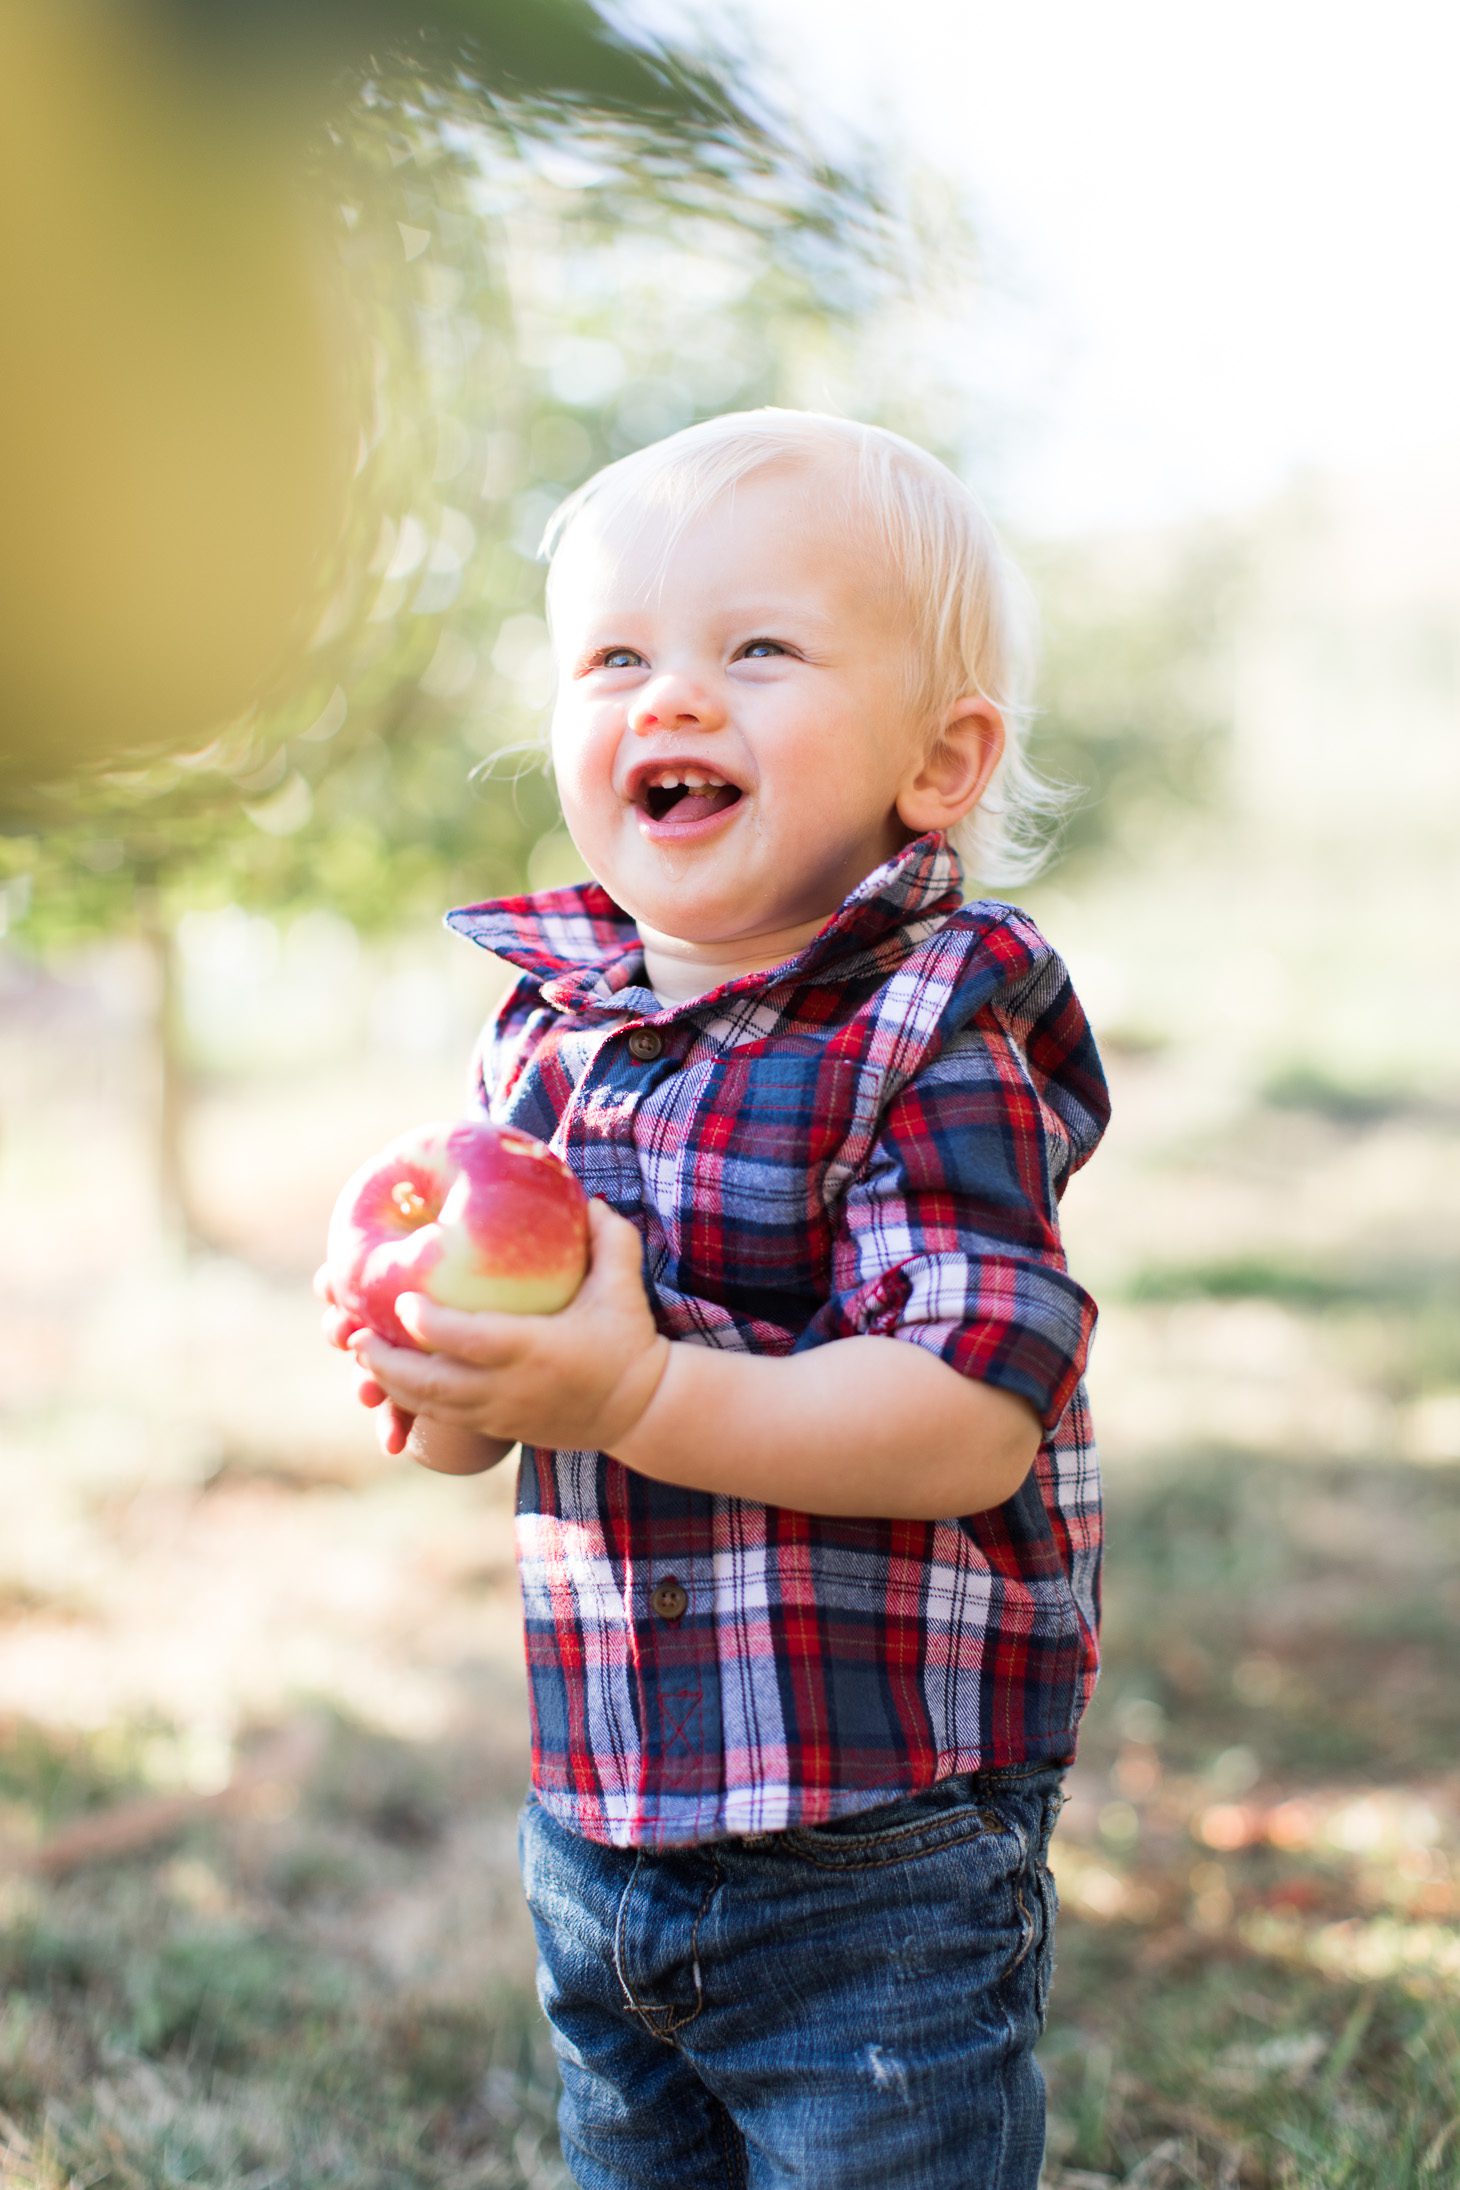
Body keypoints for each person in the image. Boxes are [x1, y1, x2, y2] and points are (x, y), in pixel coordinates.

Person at [319, 409, 1110, 2188]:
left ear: (941, 759)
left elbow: (968, 1418)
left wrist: (632, 1398)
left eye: (757, 649)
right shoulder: (544, 1033)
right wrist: (438, 1355)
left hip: (875, 1849)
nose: (669, 698)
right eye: (615, 656)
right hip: (598, 1825)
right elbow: (470, 1439)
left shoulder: (929, 1023)